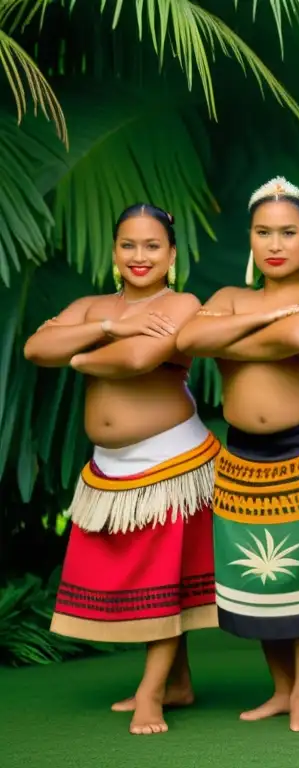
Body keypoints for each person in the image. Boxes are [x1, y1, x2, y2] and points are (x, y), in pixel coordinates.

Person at [24, 204, 218, 735]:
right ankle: (178, 682)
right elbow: (36, 347)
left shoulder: (182, 304)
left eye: (152, 246)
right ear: (114, 253)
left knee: (163, 579)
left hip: (171, 461)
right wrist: (110, 323)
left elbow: (141, 359)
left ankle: (151, 694)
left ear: (172, 254)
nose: (140, 256)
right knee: (146, 579)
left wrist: (82, 352)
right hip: (108, 468)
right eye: (128, 245)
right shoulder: (94, 306)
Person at [175, 176, 299, 733]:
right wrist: (260, 320)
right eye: (263, 232)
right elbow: (187, 342)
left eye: (287, 232)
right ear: (250, 238)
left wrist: (227, 333)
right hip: (242, 457)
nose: (275, 244)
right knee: (259, 580)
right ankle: (279, 690)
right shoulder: (232, 296)